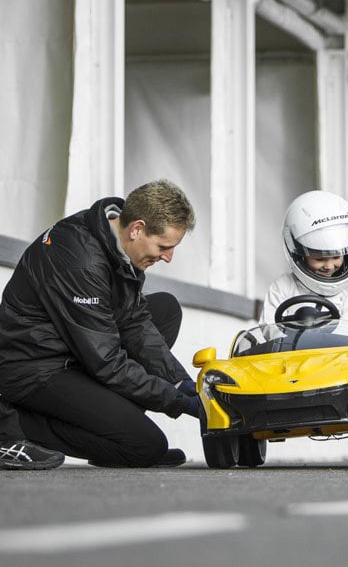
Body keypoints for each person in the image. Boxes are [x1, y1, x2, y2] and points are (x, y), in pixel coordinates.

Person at [0, 180, 201, 468]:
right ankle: (12, 426)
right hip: (34, 368)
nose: (168, 257)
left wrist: (181, 382)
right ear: (137, 229)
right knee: (145, 446)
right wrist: (180, 403)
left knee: (165, 309)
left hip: (76, 351)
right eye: (164, 246)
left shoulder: (116, 241)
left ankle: (116, 433)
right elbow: (107, 362)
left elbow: (134, 321)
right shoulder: (81, 261)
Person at [260, 190, 348, 325]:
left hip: (340, 347)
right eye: (319, 259)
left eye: (336, 257)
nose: (329, 266)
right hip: (294, 346)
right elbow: (269, 329)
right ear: (299, 256)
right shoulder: (282, 287)